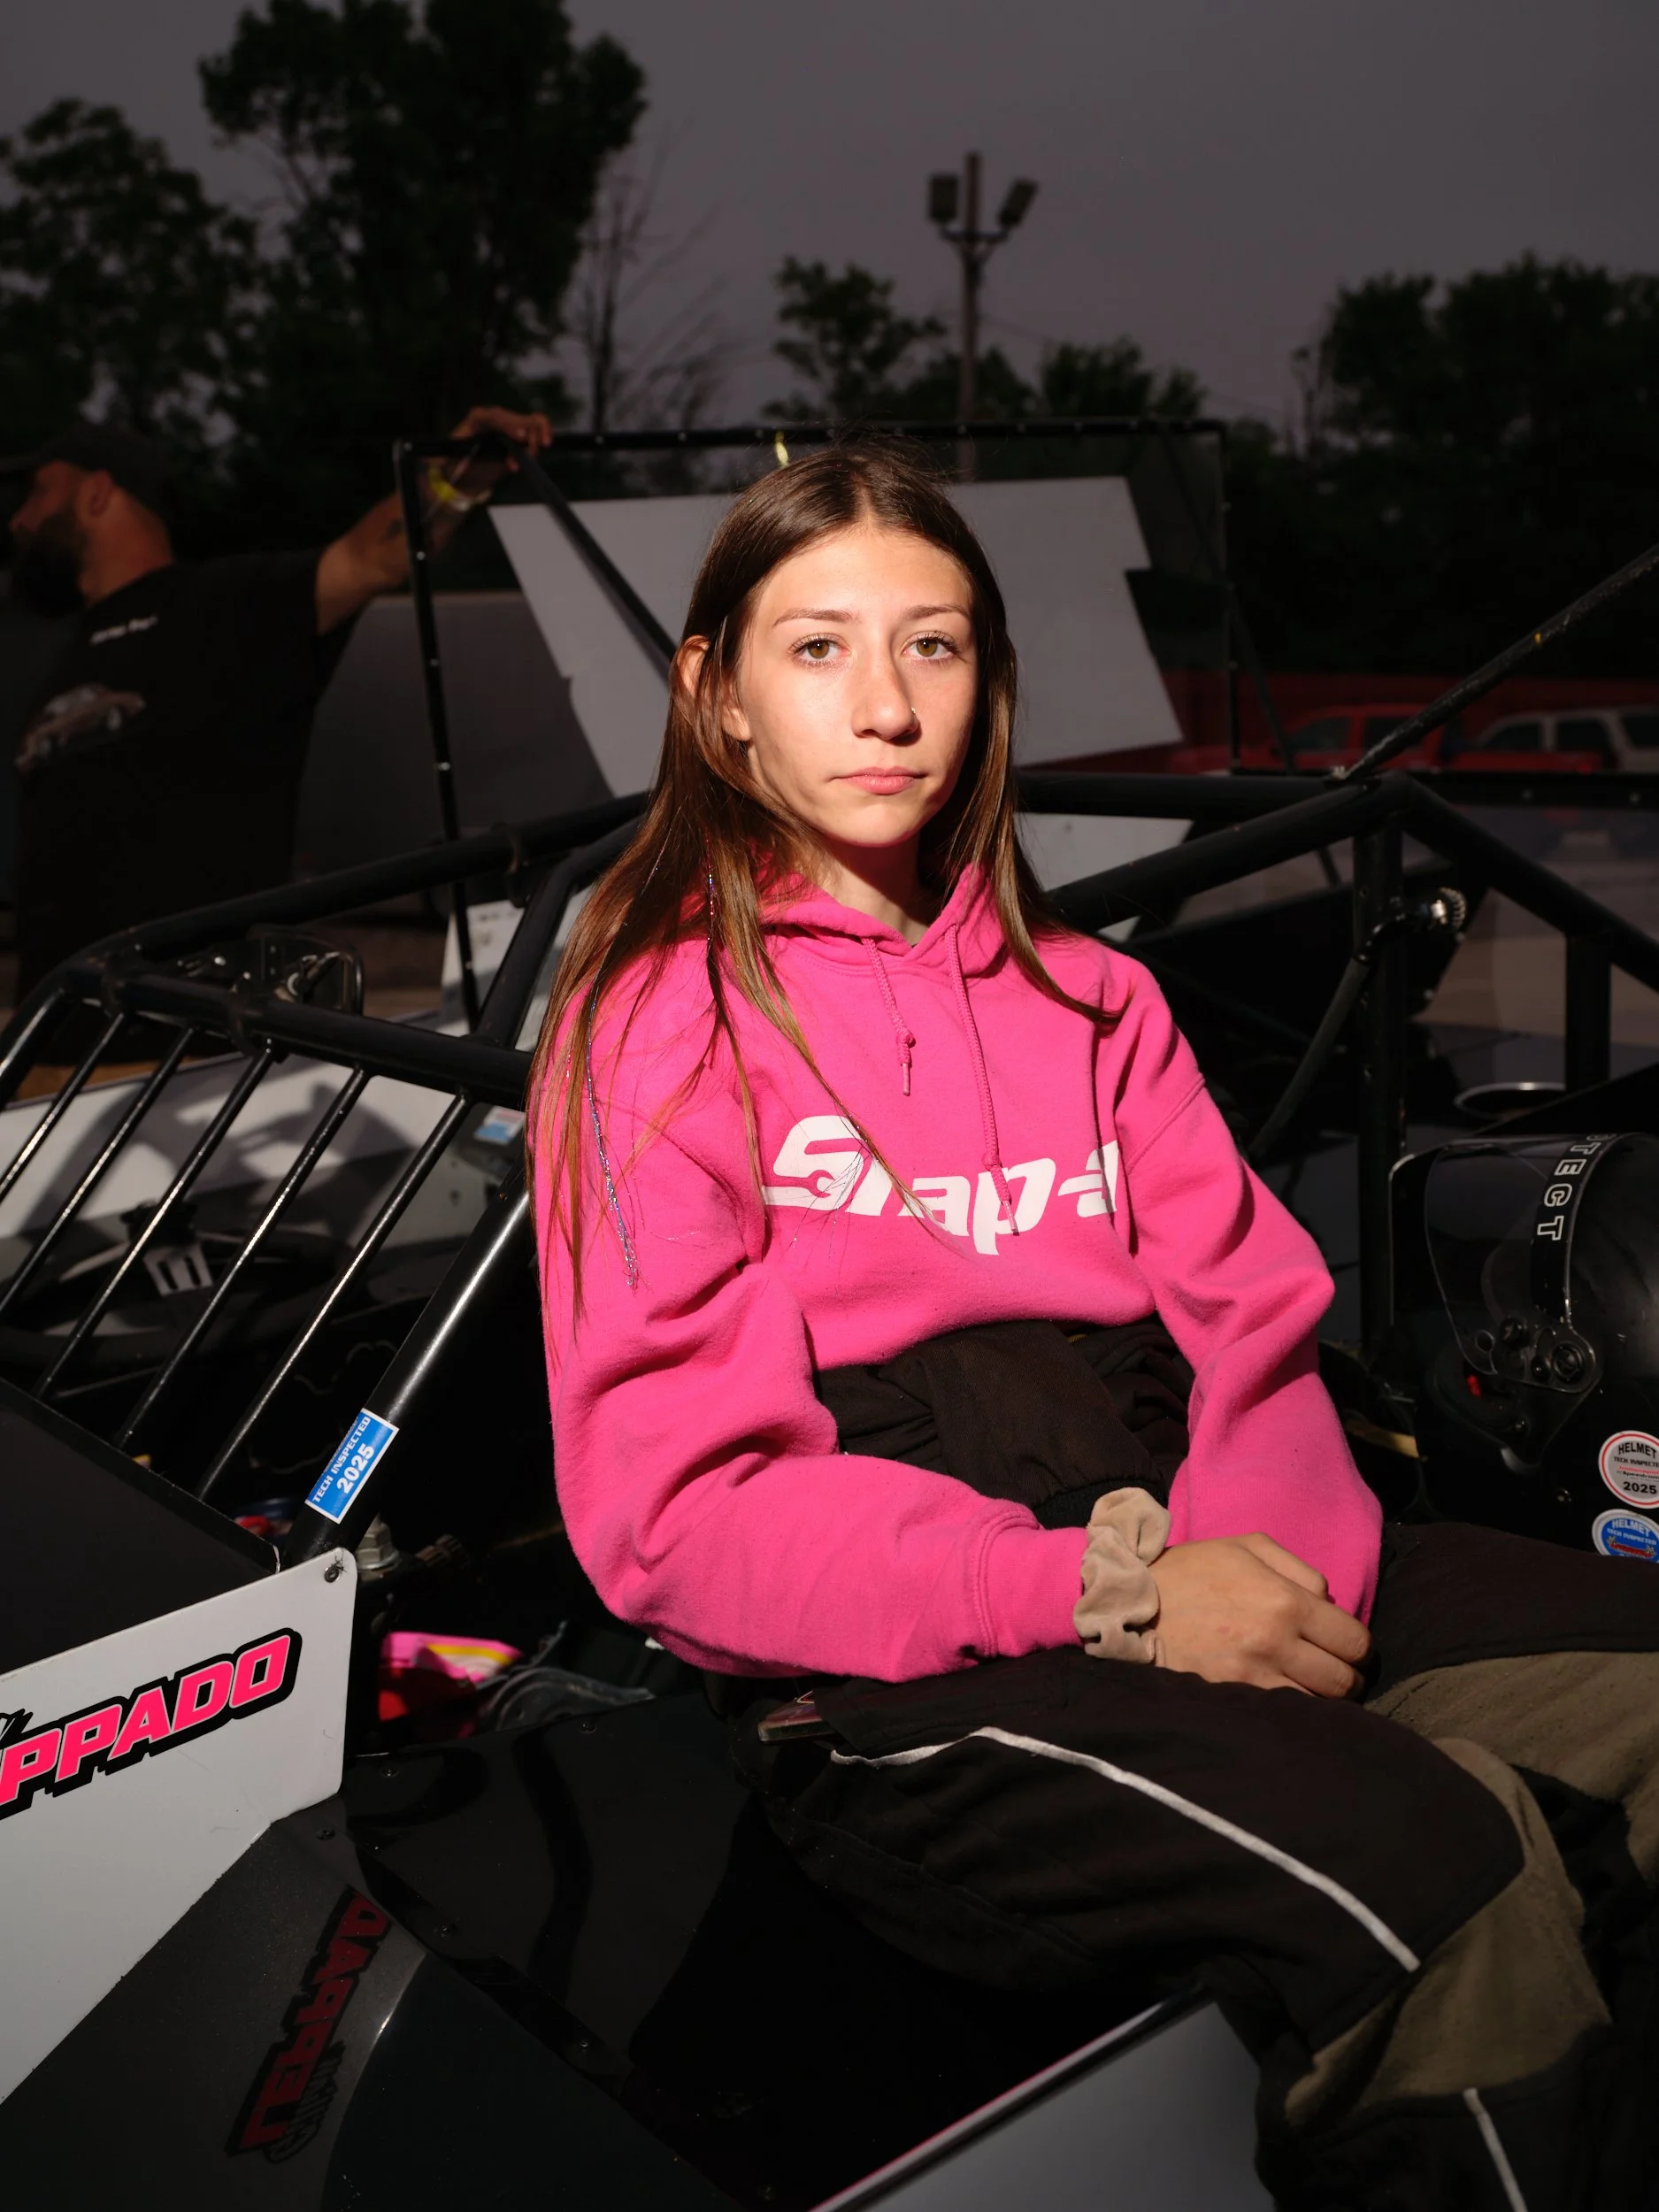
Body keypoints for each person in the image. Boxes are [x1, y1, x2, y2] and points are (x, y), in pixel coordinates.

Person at [530, 443, 1659, 2209]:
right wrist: (1112, 1597)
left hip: (1203, 1530)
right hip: (906, 1651)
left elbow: (1255, 1334)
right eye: (817, 648)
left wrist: (1255, 1581)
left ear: (988, 682)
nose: (886, 705)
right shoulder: (657, 1025)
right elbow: (675, 1511)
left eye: (937, 645)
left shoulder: (1093, 997)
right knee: (1443, 1862)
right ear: (716, 694)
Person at [2, 408, 551, 999]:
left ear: (97, 491)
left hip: (194, 1048)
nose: (17, 519)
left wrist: (454, 477)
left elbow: (374, 558)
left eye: (38, 492)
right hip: (50, 1051)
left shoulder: (228, 604)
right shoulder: (51, 653)